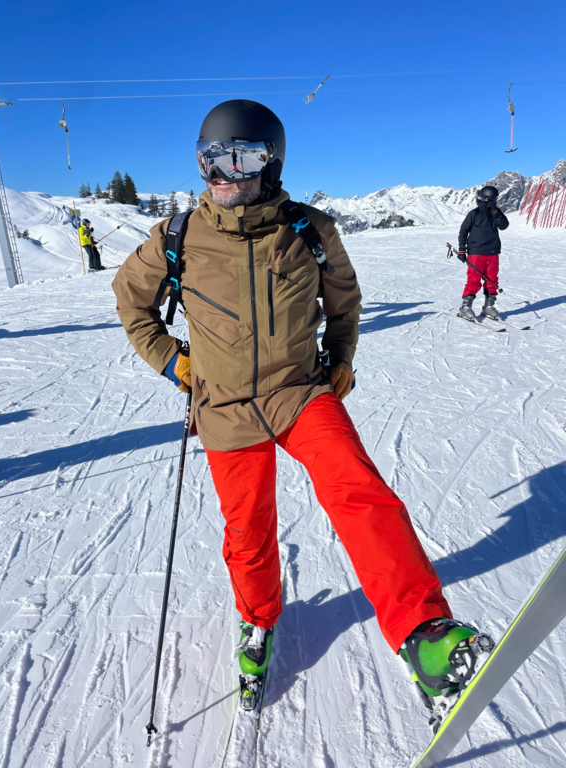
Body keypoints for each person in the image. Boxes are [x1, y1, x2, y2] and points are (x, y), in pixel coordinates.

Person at [112, 100, 493, 728]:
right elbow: (131, 302)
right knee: (248, 532)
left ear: (272, 164)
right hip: (224, 406)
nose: (224, 174)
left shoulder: (310, 229)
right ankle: (257, 621)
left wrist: (341, 356)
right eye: (212, 159)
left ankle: (423, 632)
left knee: (359, 491)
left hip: (299, 391)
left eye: (242, 158)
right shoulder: (177, 237)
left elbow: (344, 303)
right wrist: (172, 361)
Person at [457, 186, 509, 321]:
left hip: (492, 252)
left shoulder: (495, 213)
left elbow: (504, 226)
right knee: (473, 280)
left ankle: (488, 307)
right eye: (494, 199)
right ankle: (465, 308)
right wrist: (462, 250)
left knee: (492, 279)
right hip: (476, 252)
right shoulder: (474, 214)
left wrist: (496, 214)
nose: (496, 201)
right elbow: (463, 231)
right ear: (487, 199)